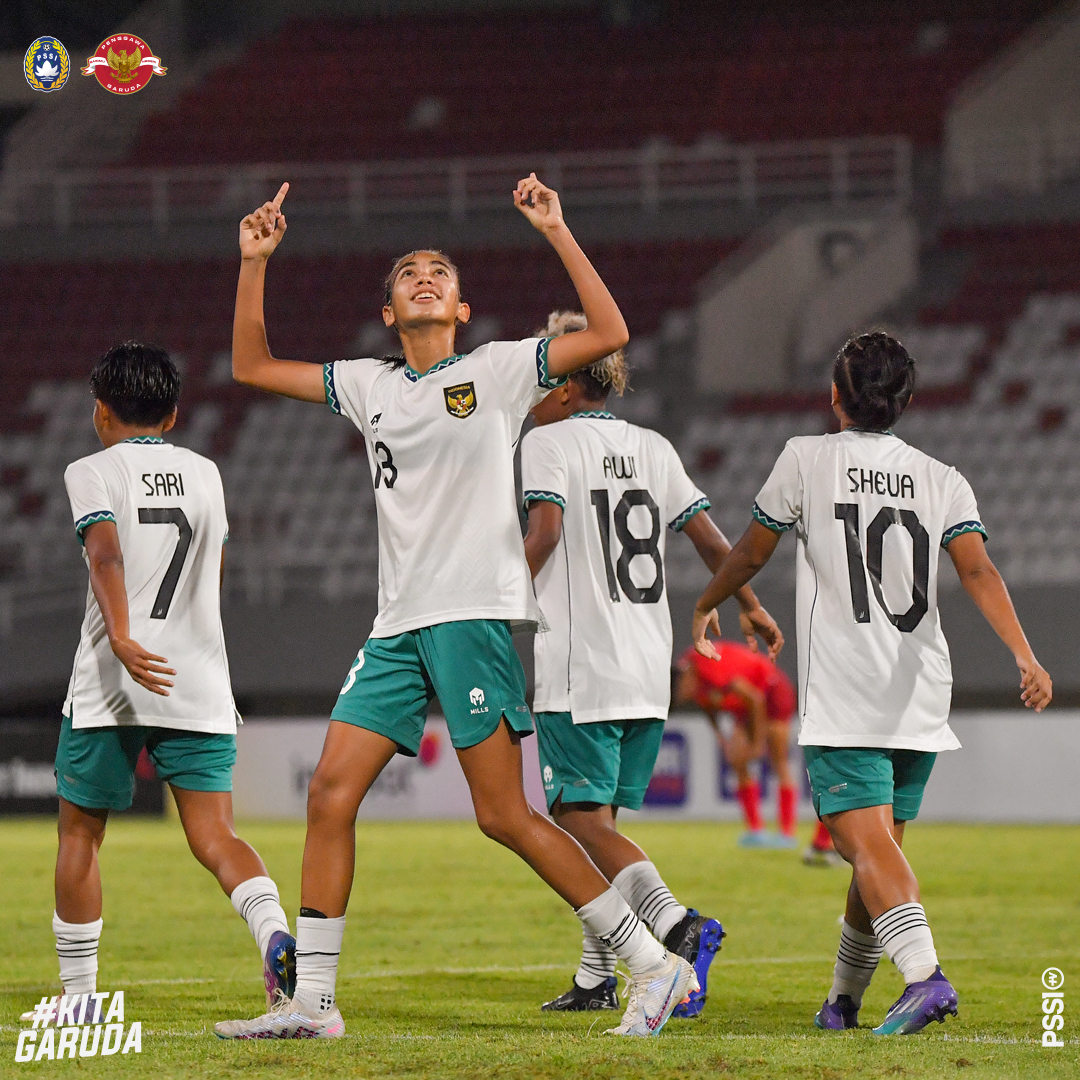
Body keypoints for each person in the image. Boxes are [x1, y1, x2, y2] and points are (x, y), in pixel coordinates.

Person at [215, 177, 697, 1041]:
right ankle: (314, 1003)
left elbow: (611, 333)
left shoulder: (500, 369)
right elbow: (251, 365)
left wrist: (557, 227)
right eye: (408, 273)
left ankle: (654, 967)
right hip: (397, 624)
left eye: (440, 270)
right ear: (391, 310)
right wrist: (254, 264)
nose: (425, 277)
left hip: (472, 615)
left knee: (503, 815)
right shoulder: (368, 384)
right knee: (329, 792)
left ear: (462, 306)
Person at [690, 332, 1051, 1035]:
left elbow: (751, 552)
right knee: (874, 854)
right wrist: (1025, 655)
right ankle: (844, 1001)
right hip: (919, 688)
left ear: (834, 395)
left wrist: (707, 603)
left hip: (849, 694)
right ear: (907, 400)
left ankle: (926, 977)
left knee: (866, 850)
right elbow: (978, 571)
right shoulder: (943, 476)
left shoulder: (806, 458)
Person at [521, 311, 783, 1018]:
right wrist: (749, 604)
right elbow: (710, 537)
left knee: (577, 820)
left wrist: (491, 597)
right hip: (645, 664)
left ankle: (676, 928)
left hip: (582, 663)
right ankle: (595, 976)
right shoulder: (654, 447)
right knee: (598, 822)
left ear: (566, 380)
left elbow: (544, 533)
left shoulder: (547, 443)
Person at [25, 343, 294, 1025]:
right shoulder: (207, 473)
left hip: (114, 678)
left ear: (99, 411)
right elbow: (216, 567)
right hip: (197, 675)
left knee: (80, 837)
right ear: (173, 414)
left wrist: (121, 635)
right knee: (217, 837)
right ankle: (274, 936)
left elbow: (105, 550)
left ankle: (81, 1003)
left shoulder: (90, 470)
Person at [675, 641, 838, 860]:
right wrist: (722, 739)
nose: (681, 698)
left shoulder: (709, 670)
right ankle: (756, 830)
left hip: (771, 691)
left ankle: (786, 833)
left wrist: (758, 743)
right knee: (738, 760)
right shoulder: (695, 681)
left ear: (685, 678)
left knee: (778, 761)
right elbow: (710, 708)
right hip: (746, 704)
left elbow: (755, 699)